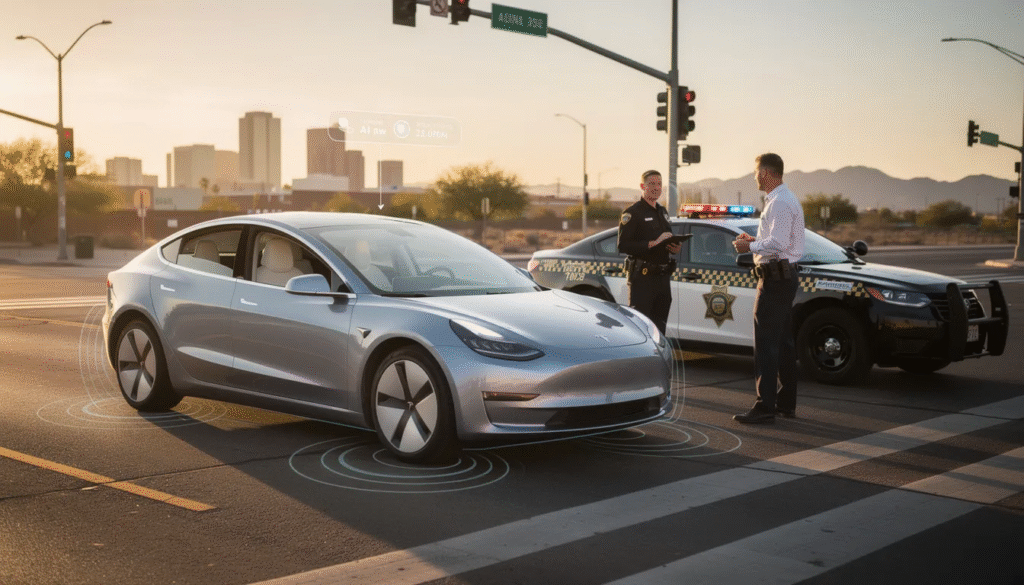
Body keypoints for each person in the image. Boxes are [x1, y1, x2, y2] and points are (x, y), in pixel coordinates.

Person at [732, 153, 805, 424]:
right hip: (781, 277)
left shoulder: (780, 201)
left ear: (765, 172)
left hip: (775, 280)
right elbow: (777, 240)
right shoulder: (783, 199)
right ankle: (785, 404)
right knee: (784, 343)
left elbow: (778, 243)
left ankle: (765, 407)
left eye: (755, 172)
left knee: (766, 344)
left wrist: (749, 246)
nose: (753, 177)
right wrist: (756, 239)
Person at [617, 169, 682, 334]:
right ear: (642, 186)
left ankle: (658, 359)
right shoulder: (633, 213)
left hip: (662, 278)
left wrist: (675, 248)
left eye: (659, 184)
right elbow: (622, 245)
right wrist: (651, 244)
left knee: (660, 330)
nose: (656, 187)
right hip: (643, 280)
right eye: (651, 184)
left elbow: (667, 240)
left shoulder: (662, 212)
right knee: (641, 328)